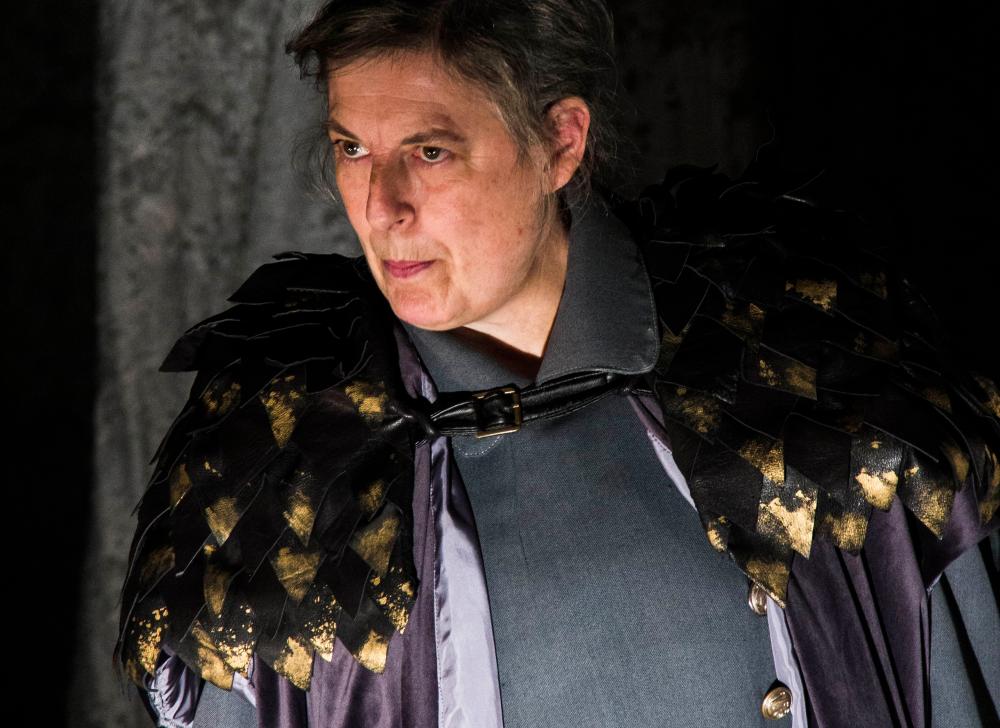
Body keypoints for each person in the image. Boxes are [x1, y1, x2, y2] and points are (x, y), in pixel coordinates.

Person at [114, 1, 1000, 726]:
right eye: (353, 149)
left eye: (430, 151)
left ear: (560, 143)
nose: (382, 206)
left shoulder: (808, 371)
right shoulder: (274, 464)